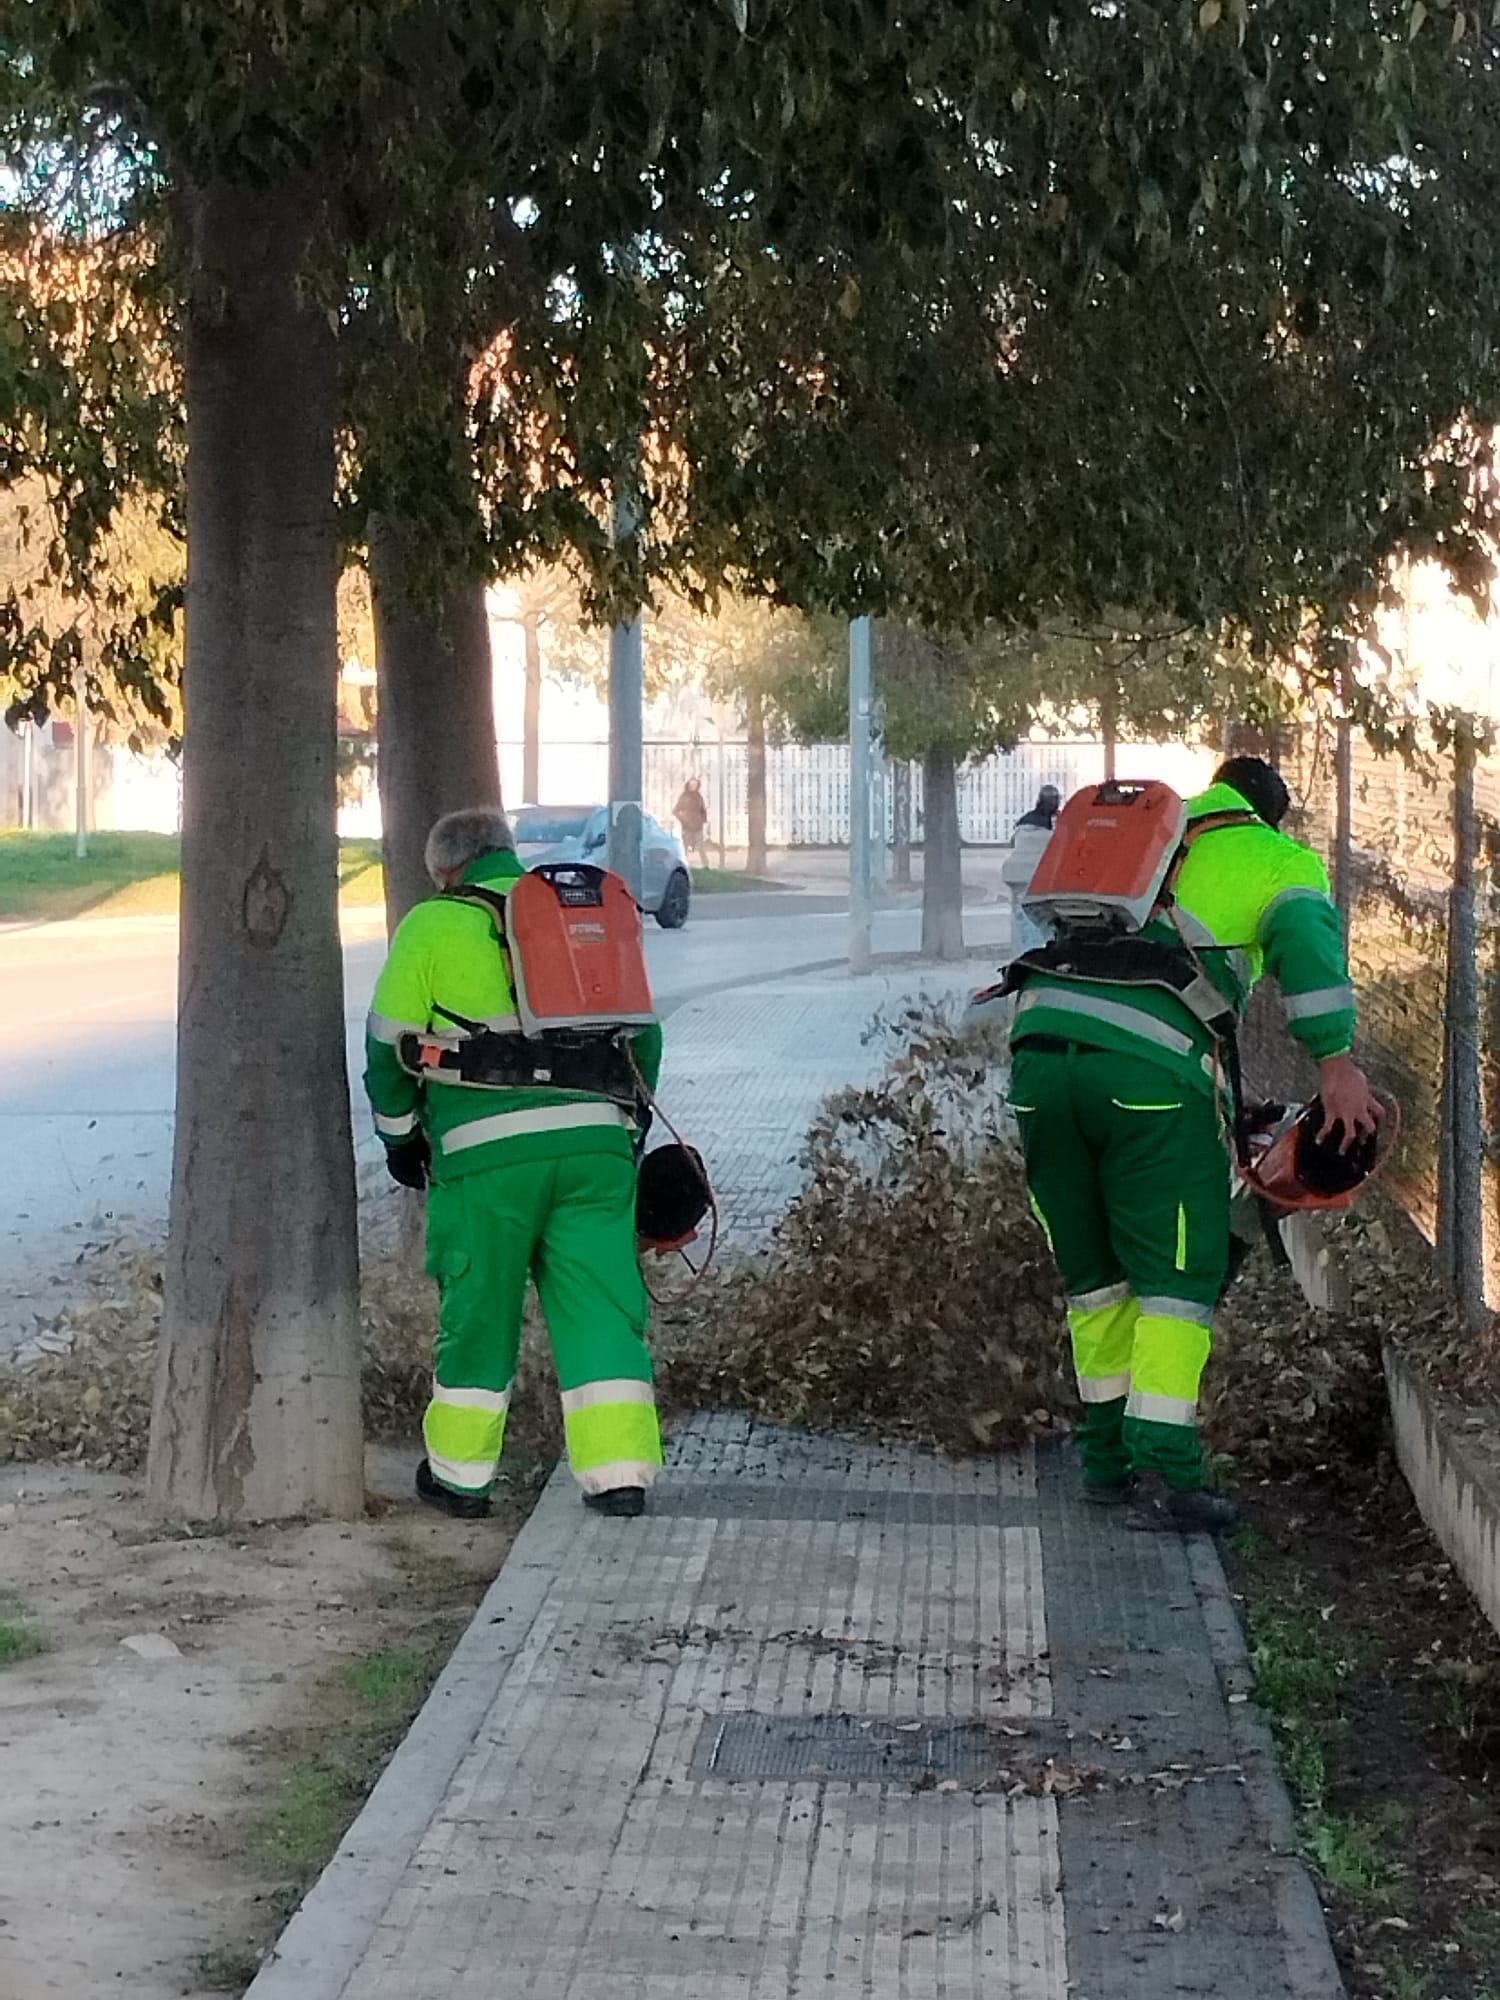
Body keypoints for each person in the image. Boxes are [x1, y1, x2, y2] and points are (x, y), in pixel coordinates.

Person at [1007, 755, 1381, 1532]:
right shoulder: (1274, 859)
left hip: (1038, 1057)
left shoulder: (1143, 840)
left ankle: (1104, 1464)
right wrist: (1337, 1065)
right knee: (1179, 1276)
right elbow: (1307, 948)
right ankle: (1172, 1477)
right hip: (1143, 1080)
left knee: (1096, 1276)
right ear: (1271, 815)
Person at [363, 807, 665, 1521]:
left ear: (445, 871)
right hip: (596, 1151)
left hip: (486, 1158)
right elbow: (644, 1040)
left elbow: (386, 1049)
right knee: (601, 1308)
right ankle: (620, 1477)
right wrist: (624, 1129)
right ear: (508, 854)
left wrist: (401, 1137)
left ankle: (462, 1481)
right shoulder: (574, 921)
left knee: (481, 1309)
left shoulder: (432, 925)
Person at [673, 776, 710, 863]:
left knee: (701, 847)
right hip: (687, 827)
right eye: (692, 784)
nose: (694, 786)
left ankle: (706, 866)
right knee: (684, 847)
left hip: (698, 826)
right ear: (688, 785)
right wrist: (683, 820)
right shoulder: (684, 796)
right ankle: (683, 864)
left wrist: (703, 820)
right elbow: (675, 810)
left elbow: (703, 809)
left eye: (695, 784)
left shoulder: (699, 796)